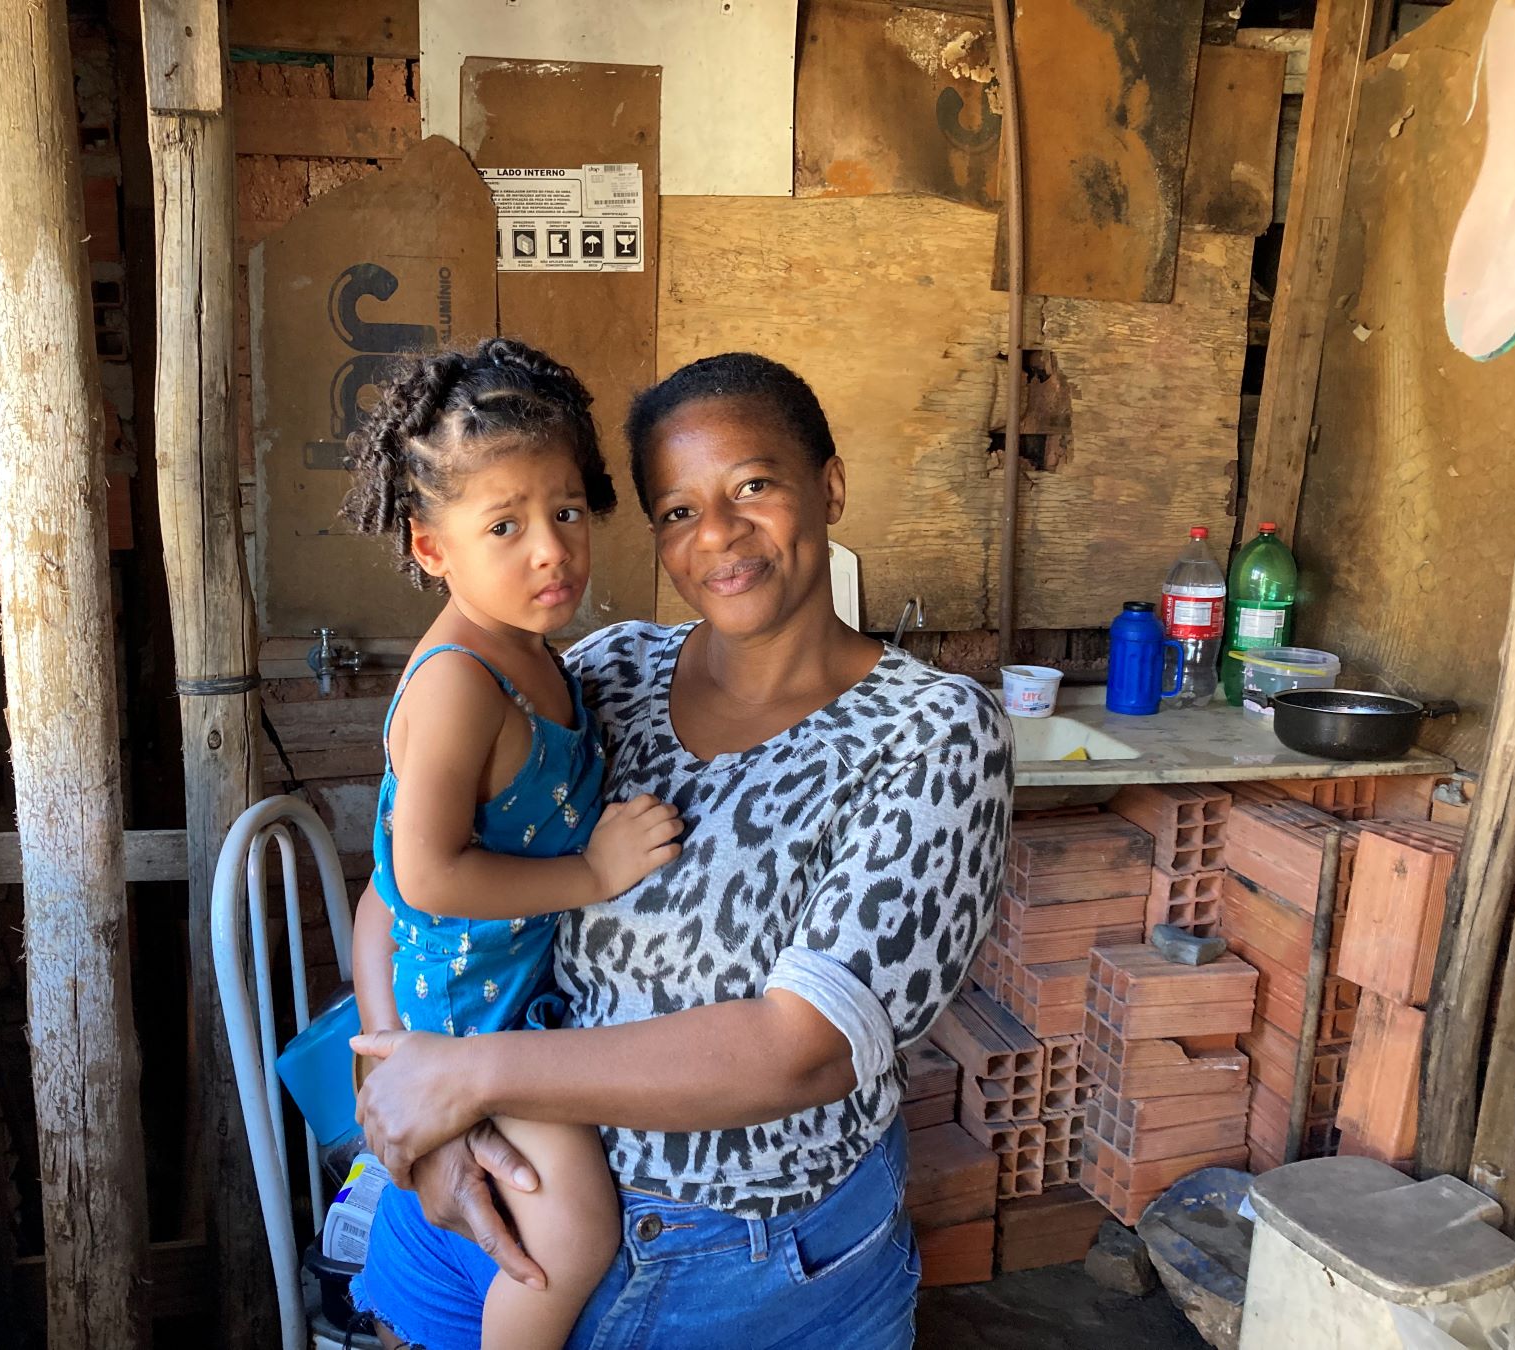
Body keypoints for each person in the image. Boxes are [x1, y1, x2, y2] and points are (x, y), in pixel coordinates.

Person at [351, 351, 1013, 1350]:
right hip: (485, 1208)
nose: (718, 535)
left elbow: (800, 1051)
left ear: (828, 485)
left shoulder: (931, 733)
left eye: (754, 486)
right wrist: (415, 1110)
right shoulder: (603, 674)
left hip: (740, 1281)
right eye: (675, 510)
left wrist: (473, 1077)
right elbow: (403, 889)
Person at [339, 336, 686, 1348]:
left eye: (567, 511)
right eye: (505, 525)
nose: (551, 549)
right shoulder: (459, 682)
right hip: (470, 1009)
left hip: (504, 995)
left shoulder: (534, 655)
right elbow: (423, 877)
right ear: (430, 547)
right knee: (574, 1229)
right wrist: (593, 872)